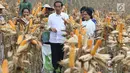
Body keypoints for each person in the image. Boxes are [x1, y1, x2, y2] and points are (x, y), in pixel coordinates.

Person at [48, 1, 69, 73]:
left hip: (62, 40)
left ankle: (60, 70)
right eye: (56, 6)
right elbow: (48, 26)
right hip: (53, 40)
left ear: (62, 7)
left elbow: (68, 27)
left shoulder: (65, 16)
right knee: (54, 57)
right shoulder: (51, 16)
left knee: (61, 57)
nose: (57, 8)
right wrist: (51, 29)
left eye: (59, 6)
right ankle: (55, 70)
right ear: (54, 7)